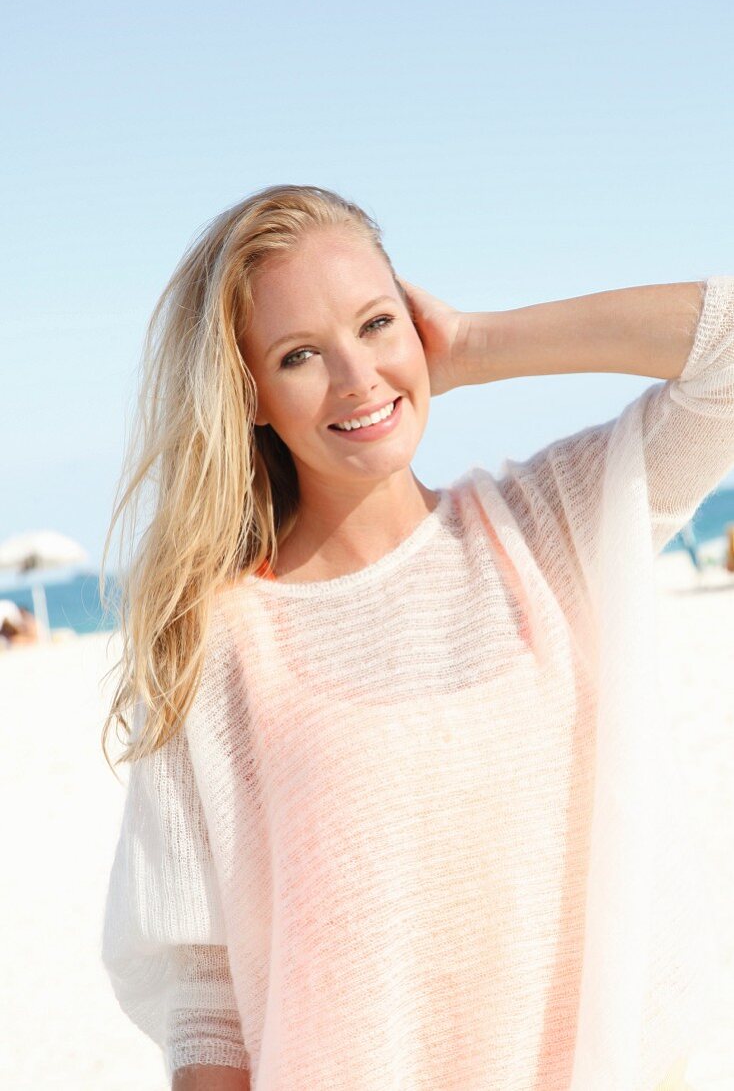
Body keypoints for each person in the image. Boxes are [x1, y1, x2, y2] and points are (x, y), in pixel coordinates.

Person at [99, 185, 734, 1091]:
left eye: (376, 323)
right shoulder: (217, 642)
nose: (357, 380)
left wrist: (477, 345)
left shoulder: (552, 525)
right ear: (248, 397)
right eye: (300, 354)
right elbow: (202, 995)